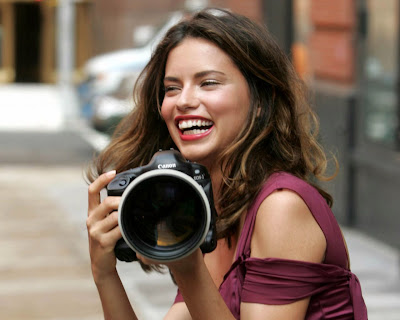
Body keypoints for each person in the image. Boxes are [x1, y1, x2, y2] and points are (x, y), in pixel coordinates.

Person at [86, 8, 368, 320]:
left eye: (208, 83)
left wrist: (188, 266)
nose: (184, 101)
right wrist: (104, 274)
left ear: (260, 100)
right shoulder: (210, 205)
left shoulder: (281, 208)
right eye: (172, 88)